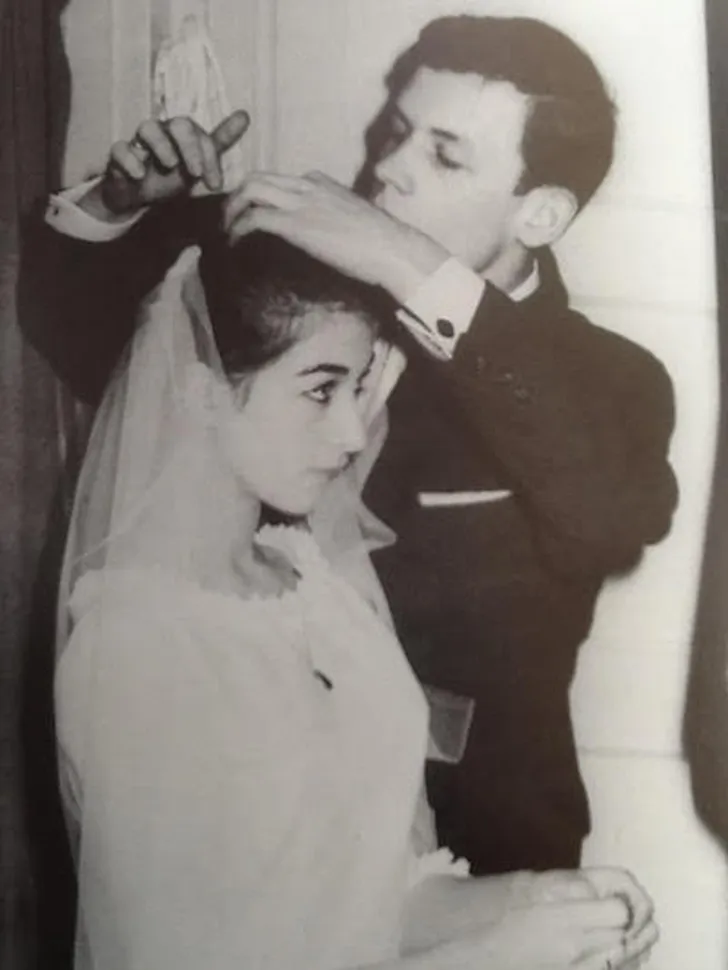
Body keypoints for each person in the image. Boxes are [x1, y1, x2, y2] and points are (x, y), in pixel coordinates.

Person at [20, 15, 678, 874]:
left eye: (445, 156)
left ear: (541, 212)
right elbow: (87, 344)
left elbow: (608, 515)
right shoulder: (292, 270)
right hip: (244, 830)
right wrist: (118, 205)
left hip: (479, 852)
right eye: (398, 133)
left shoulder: (614, 382)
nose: (390, 169)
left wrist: (409, 263)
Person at [54, 227, 658, 970]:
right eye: (321, 390)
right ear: (204, 394)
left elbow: (379, 903)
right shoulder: (136, 645)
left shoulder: (318, 586)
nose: (351, 432)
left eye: (358, 389)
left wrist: (536, 898)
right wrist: (499, 957)